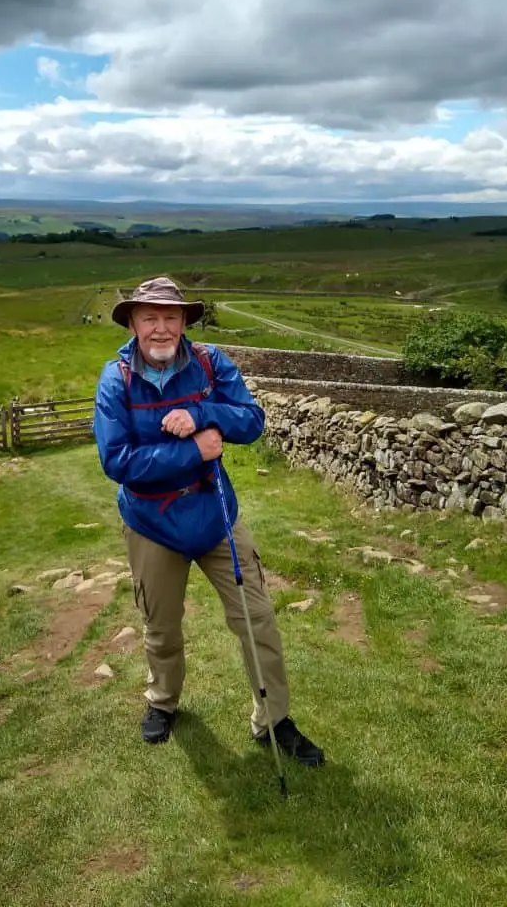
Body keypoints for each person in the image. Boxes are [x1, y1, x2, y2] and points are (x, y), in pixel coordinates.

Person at [93, 276, 324, 765]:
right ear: (133, 322)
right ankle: (162, 702)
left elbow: (251, 420)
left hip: (215, 511)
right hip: (151, 521)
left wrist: (200, 412)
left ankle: (274, 720)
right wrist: (192, 450)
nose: (161, 328)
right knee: (162, 626)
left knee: (257, 617)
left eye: (170, 317)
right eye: (150, 317)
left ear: (183, 322)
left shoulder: (209, 364)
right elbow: (118, 462)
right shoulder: (116, 378)